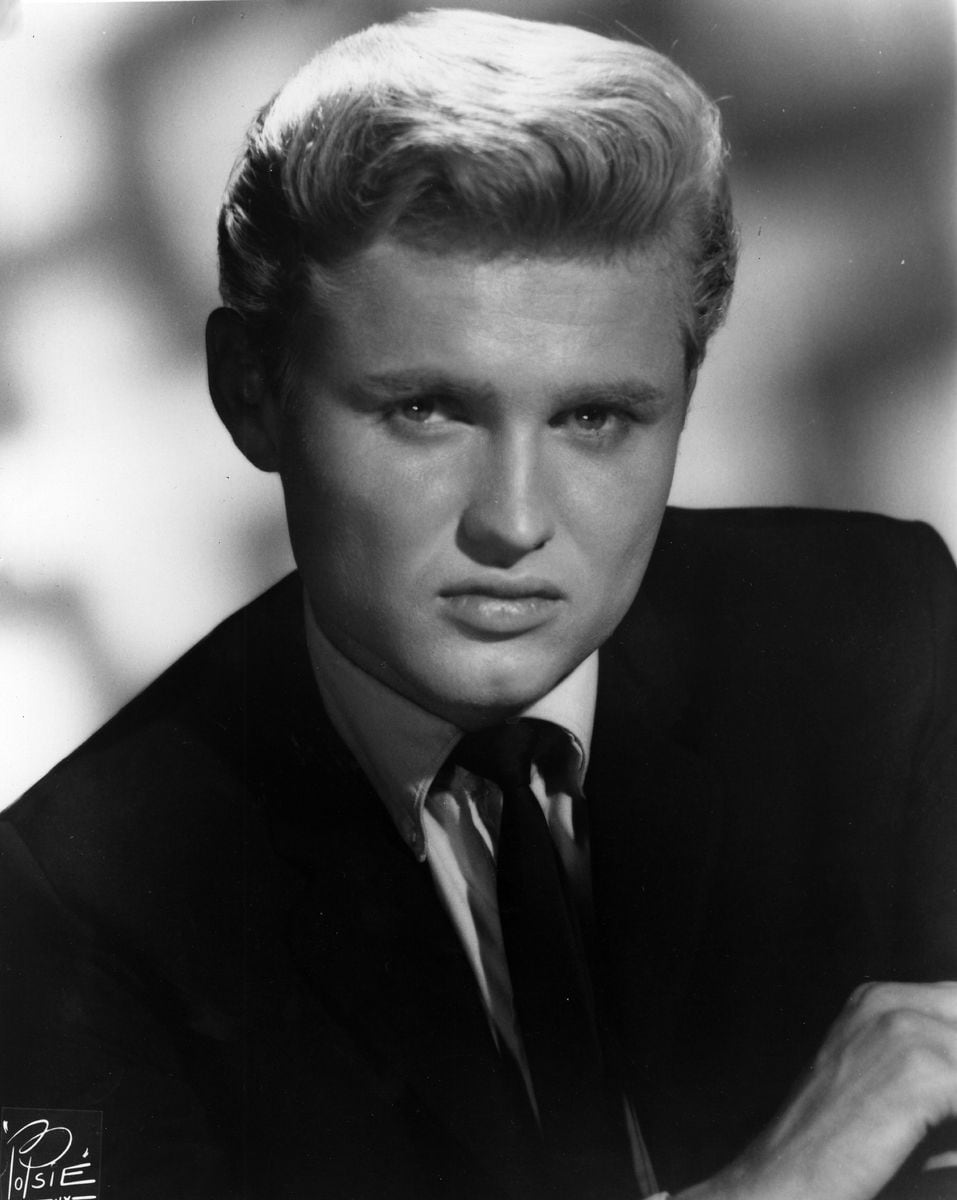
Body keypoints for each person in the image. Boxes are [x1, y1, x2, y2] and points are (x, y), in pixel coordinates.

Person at [2, 9, 956, 1199]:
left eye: (596, 418)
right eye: (425, 411)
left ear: (687, 391)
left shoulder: (878, 637)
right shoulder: (69, 905)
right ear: (251, 394)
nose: (514, 522)